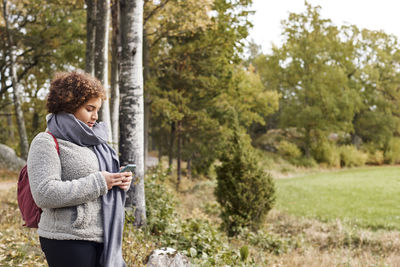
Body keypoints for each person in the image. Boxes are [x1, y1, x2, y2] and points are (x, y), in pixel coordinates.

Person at [27, 71, 132, 267]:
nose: (95, 116)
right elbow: (44, 193)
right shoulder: (46, 142)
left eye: (97, 109)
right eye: (89, 108)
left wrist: (118, 181)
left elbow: (103, 184)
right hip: (67, 240)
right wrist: (100, 182)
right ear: (69, 106)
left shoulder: (95, 142)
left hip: (103, 237)